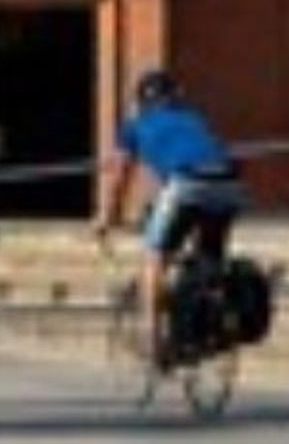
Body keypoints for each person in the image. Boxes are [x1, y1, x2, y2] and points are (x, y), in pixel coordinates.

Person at [94, 69, 245, 367]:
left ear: (140, 101)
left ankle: (154, 342)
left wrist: (107, 219)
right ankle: (212, 319)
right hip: (228, 184)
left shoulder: (134, 126)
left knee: (155, 257)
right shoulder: (193, 118)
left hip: (186, 184)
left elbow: (119, 178)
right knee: (209, 258)